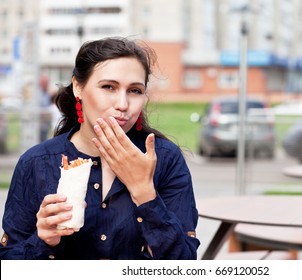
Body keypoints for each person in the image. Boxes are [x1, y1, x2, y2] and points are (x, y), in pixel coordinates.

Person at [0, 37, 200, 260]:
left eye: (134, 90)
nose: (123, 104)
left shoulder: (165, 159)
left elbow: (184, 264)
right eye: (108, 87)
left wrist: (144, 192)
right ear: (78, 86)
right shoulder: (36, 162)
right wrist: (43, 240)